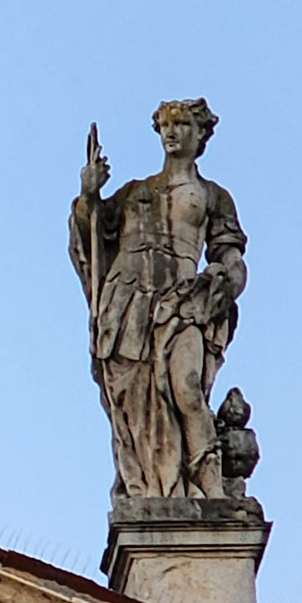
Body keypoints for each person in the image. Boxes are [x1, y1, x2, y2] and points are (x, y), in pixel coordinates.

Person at [69, 99, 247, 501]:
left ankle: (209, 484)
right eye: (166, 125)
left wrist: (226, 284)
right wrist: (89, 196)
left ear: (200, 135)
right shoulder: (136, 192)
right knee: (134, 402)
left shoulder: (213, 196)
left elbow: (231, 256)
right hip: (128, 302)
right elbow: (92, 234)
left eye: (182, 124)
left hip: (183, 302)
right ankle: (153, 487)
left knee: (186, 386)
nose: (172, 132)